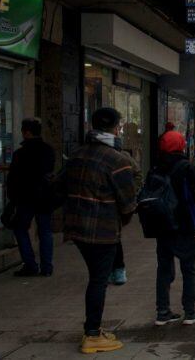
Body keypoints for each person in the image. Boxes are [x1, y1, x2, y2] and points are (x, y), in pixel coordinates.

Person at [62, 108, 137, 354]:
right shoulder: (118, 159)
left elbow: (59, 187)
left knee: (97, 278)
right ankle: (92, 333)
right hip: (102, 230)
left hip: (77, 226)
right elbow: (128, 202)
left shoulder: (76, 154)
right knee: (98, 281)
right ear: (116, 128)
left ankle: (93, 329)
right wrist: (122, 219)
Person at [153, 130, 195, 326]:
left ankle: (162, 311)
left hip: (162, 225)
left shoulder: (157, 167)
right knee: (189, 269)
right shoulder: (187, 167)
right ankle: (190, 312)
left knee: (164, 268)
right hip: (185, 225)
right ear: (181, 145)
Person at [6, 118, 55, 277]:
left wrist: (12, 200)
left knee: (20, 229)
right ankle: (47, 267)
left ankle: (30, 264)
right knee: (45, 231)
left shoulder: (20, 153)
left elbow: (13, 179)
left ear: (26, 132)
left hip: (25, 198)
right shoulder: (48, 150)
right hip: (44, 197)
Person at [109, 149, 142, 286]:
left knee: (113, 238)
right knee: (110, 239)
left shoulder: (121, 156)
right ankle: (112, 270)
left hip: (114, 204)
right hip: (100, 207)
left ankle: (117, 270)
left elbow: (137, 175)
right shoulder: (88, 155)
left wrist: (129, 192)